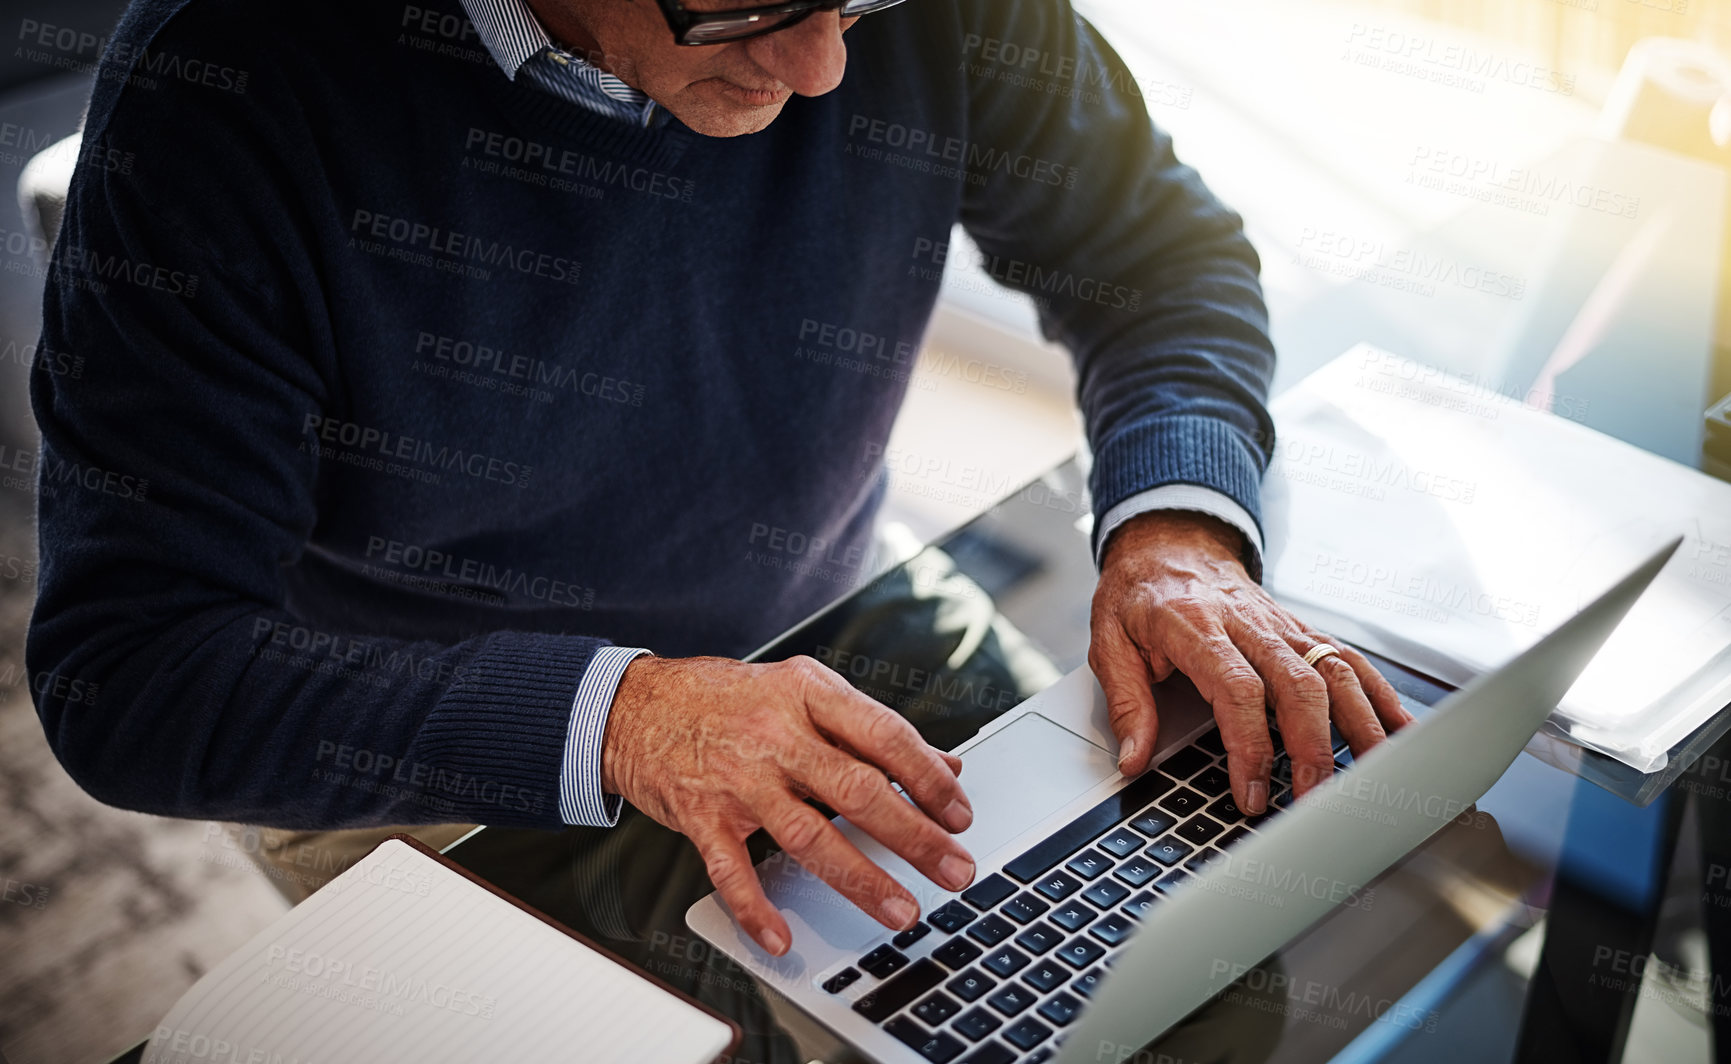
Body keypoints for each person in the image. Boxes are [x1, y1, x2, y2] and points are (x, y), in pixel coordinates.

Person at [27, 0, 1410, 953]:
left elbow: (1162, 261)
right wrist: (625, 717)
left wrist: (1175, 527)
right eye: (745, 2)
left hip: (823, 614)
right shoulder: (225, 88)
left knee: (1167, 981)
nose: (819, 70)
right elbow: (135, 672)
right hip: (437, 740)